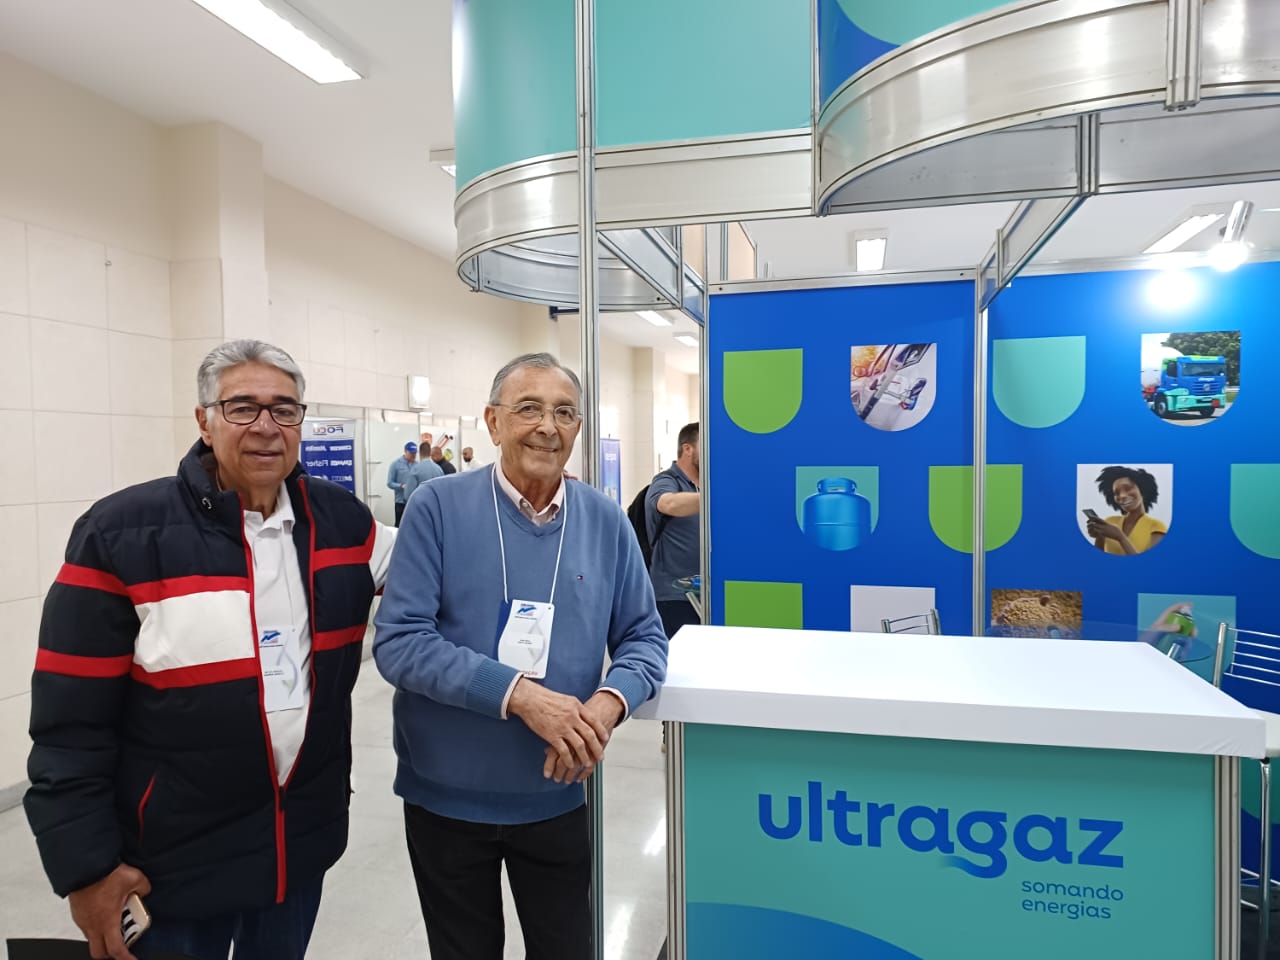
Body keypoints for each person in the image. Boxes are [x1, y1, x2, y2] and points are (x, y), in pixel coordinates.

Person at [25, 339, 396, 960]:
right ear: (204, 420)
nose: (266, 427)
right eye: (242, 407)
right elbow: (70, 724)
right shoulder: (122, 535)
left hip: (297, 849)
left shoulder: (341, 522)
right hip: (170, 866)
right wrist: (86, 869)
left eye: (284, 409)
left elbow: (440, 563)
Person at [373, 352, 668, 960]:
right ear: (493, 421)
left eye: (564, 412)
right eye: (529, 408)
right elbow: (400, 641)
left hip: (557, 789)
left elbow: (645, 638)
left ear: (578, 427)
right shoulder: (438, 507)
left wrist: (604, 708)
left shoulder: (605, 520)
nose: (547, 426)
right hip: (445, 794)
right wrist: (520, 696)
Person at [645, 422, 701, 639]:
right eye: (706, 445)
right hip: (673, 597)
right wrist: (716, 496)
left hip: (704, 594)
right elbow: (668, 504)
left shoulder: (707, 482)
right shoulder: (666, 480)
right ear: (687, 449)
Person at [1086, 465, 1167, 556]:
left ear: (1142, 490)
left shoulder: (1156, 526)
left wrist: (1121, 537)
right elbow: (1098, 560)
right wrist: (1099, 537)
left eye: (1128, 488)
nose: (1122, 496)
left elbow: (1150, 563)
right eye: (1116, 493)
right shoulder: (1110, 521)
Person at [387, 441, 418, 526]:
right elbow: (389, 483)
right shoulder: (395, 464)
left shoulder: (417, 465)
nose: (413, 455)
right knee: (399, 526)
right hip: (400, 502)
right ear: (405, 451)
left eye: (415, 453)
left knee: (413, 526)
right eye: (411, 453)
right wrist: (401, 486)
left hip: (414, 502)